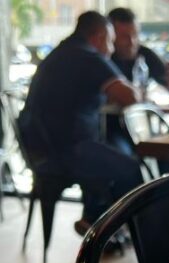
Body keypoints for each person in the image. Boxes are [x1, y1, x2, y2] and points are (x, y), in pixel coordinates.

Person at [19, 11, 142, 232]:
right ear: (99, 36)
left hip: (41, 151)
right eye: (110, 42)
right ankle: (126, 232)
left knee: (105, 152)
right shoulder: (88, 57)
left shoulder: (59, 53)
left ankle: (96, 221)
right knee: (131, 169)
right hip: (66, 152)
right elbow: (130, 96)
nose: (111, 49)